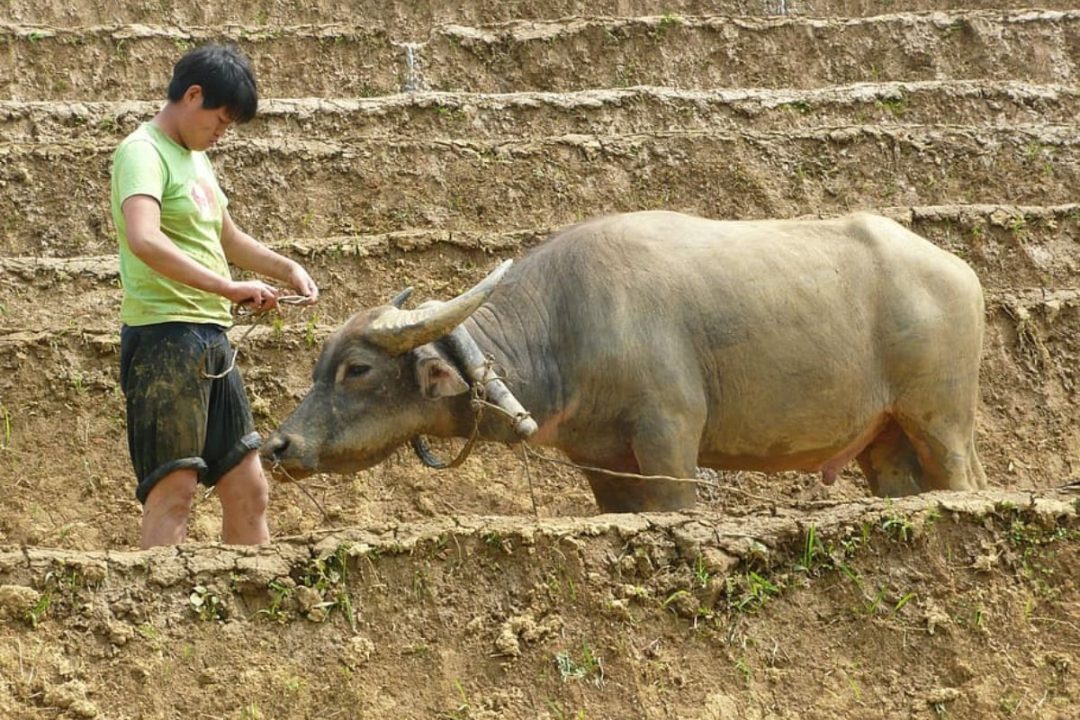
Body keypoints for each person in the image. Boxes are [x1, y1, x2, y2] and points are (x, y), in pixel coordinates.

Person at [110, 44, 318, 549]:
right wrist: (227, 286)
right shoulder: (143, 151)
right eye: (220, 120)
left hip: (209, 339)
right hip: (165, 337)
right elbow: (145, 238)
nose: (221, 134)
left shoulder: (195, 160)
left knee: (248, 485)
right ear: (192, 95)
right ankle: (163, 616)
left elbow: (226, 237)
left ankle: (249, 609)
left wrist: (285, 268)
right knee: (174, 490)